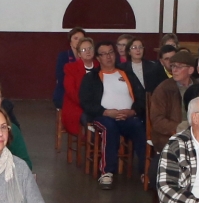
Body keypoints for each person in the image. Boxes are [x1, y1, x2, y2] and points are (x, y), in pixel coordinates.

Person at [79, 42, 144, 189]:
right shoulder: (92, 77)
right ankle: (107, 172)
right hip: (103, 116)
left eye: (111, 53)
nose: (108, 57)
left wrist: (132, 111)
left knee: (138, 126)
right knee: (109, 127)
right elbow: (86, 102)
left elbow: (141, 97)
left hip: (127, 116)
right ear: (98, 58)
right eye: (104, 54)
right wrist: (106, 112)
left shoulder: (126, 74)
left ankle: (144, 171)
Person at [147, 51, 196, 150]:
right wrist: (178, 127)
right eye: (173, 66)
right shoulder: (163, 89)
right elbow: (157, 120)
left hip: (197, 134)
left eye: (179, 67)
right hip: (169, 136)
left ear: (190, 70)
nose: (174, 70)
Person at [59, 37, 97, 142]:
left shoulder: (100, 66)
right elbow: (71, 91)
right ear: (79, 54)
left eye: (90, 48)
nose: (88, 51)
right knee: (87, 118)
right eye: (84, 50)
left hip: (99, 105)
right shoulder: (70, 68)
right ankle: (94, 143)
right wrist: (87, 104)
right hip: (77, 106)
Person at [124, 37, 165, 103]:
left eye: (140, 47)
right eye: (134, 47)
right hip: (131, 103)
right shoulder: (123, 68)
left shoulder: (154, 67)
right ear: (129, 52)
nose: (138, 50)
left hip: (151, 102)